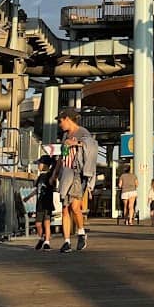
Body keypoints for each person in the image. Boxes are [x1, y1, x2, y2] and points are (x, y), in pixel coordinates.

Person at [56, 108, 97, 252]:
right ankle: (66, 242)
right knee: (65, 209)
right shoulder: (65, 135)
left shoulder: (83, 132)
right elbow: (62, 156)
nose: (60, 124)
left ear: (68, 119)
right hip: (65, 174)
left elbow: (91, 146)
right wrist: (55, 174)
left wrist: (76, 143)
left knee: (74, 207)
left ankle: (81, 232)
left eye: (60, 121)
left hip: (77, 174)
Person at [32, 156, 57, 251]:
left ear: (45, 165)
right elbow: (36, 189)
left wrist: (54, 161)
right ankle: (42, 237)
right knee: (38, 223)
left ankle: (47, 242)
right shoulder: (40, 177)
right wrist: (28, 197)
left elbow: (54, 169)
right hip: (39, 204)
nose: (38, 165)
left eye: (40, 163)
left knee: (47, 223)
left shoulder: (50, 175)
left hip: (47, 203)